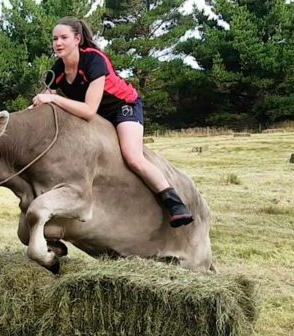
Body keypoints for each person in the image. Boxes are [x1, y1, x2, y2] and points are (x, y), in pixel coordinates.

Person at [30, 16, 193, 227]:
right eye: (54, 39)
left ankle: (175, 203)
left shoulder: (94, 60)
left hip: (123, 107)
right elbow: (43, 102)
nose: (58, 43)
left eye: (64, 38)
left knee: (132, 157)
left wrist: (53, 98)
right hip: (99, 115)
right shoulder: (58, 68)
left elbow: (88, 110)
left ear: (77, 39)